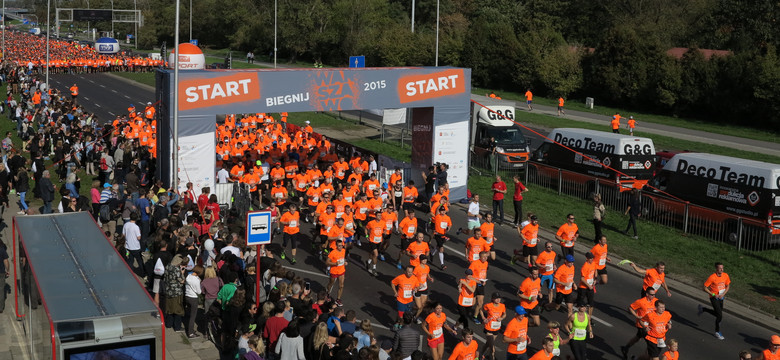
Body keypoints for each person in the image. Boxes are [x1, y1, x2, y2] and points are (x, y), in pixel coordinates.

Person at [622, 288, 659, 359]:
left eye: (654, 294)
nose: (653, 296)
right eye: (651, 295)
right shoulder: (641, 302)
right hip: (642, 326)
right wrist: (637, 316)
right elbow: (630, 308)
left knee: (638, 337)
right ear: (647, 294)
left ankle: (626, 348)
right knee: (651, 344)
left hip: (650, 325)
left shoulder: (655, 301)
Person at [698, 262, 731, 340]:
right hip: (714, 298)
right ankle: (717, 332)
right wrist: (713, 295)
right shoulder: (712, 277)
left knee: (718, 314)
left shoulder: (725, 275)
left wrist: (723, 295)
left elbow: (728, 286)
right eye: (720, 268)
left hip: (721, 297)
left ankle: (703, 309)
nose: (722, 269)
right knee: (719, 315)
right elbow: (705, 287)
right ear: (716, 269)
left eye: (722, 268)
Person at [480, 292, 506, 360]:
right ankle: (492, 357)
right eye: (496, 298)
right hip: (488, 328)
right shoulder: (488, 305)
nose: (498, 299)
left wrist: (501, 318)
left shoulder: (502, 306)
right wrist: (483, 318)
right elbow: (481, 310)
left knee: (488, 344)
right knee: (492, 348)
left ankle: (481, 354)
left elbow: (504, 314)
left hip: (496, 328)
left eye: (499, 298)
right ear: (492, 299)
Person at [325, 240, 347, 306]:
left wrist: (344, 263)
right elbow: (327, 262)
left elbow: (342, 259)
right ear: (336, 246)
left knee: (341, 286)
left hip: (341, 270)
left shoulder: (343, 251)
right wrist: (335, 263)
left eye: (341, 245)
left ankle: (338, 299)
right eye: (339, 246)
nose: (340, 247)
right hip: (334, 271)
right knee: (331, 283)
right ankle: (328, 293)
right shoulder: (333, 253)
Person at [184, 265, 203, 338]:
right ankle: (191, 332)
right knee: (193, 316)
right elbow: (199, 292)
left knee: (189, 314)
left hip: (187, 296)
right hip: (193, 298)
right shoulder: (196, 280)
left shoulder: (188, 276)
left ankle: (190, 329)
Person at [0, 239, 9, 313]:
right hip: (1, 272)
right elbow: (6, 261)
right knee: (1, 290)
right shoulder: (2, 250)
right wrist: (8, 270)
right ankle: (1, 307)